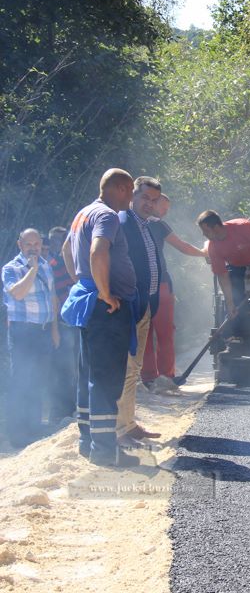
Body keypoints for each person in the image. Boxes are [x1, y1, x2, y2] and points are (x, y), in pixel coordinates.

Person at [60, 168, 140, 467]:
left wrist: (82, 283)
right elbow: (97, 252)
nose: (131, 198)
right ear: (120, 188)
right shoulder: (106, 215)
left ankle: (88, 441)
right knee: (106, 378)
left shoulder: (83, 213)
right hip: (106, 309)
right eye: (130, 192)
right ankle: (106, 451)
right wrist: (105, 292)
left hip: (87, 302)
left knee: (90, 376)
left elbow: (67, 250)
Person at [116, 176, 164, 444]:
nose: (150, 204)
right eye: (146, 198)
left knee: (134, 368)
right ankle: (120, 429)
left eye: (154, 200)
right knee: (126, 367)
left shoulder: (145, 225)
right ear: (133, 196)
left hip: (144, 305)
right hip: (130, 305)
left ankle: (129, 423)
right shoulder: (123, 222)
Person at [142, 193, 206, 392]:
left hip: (139, 286)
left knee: (145, 332)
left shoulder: (128, 220)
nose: (165, 211)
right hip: (159, 285)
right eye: (164, 207)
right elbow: (183, 246)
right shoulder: (157, 224)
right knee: (165, 332)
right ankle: (166, 376)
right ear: (152, 203)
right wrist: (205, 253)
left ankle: (149, 377)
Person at [2, 228, 60, 448]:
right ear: (20, 245)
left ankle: (34, 428)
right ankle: (17, 434)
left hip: (44, 331)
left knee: (38, 381)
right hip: (22, 333)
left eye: (37, 244)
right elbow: (17, 293)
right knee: (21, 382)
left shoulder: (46, 265)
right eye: (29, 244)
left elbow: (53, 297)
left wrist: (54, 329)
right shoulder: (11, 268)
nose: (33, 248)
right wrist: (32, 270)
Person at [197, 211, 250, 349]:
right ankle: (232, 338)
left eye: (205, 230)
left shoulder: (242, 226)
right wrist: (229, 303)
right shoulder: (213, 247)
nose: (203, 235)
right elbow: (222, 275)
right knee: (234, 303)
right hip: (236, 269)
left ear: (215, 227)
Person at [47, 226, 80, 422]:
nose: (63, 244)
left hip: (75, 322)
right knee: (62, 368)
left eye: (65, 240)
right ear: (52, 243)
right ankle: (59, 411)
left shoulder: (73, 262)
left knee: (76, 366)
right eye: (59, 241)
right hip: (59, 324)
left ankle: (74, 407)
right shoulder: (50, 264)